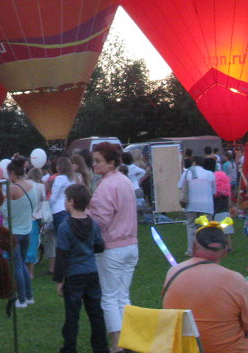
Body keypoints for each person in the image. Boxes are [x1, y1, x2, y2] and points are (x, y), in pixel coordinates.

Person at [162, 224, 248, 353]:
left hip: (183, 347)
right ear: (225, 251)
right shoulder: (235, 279)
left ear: (193, 248)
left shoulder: (173, 271)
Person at [87, 142, 137, 352]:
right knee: (122, 296)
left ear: (111, 162)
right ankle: (130, 339)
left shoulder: (107, 185)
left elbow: (99, 221)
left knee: (109, 297)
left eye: (98, 161)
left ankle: (116, 344)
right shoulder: (125, 181)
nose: (94, 165)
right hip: (131, 245)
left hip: (112, 246)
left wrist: (84, 215)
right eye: (94, 161)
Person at [53, 183, 108, 353]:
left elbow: (62, 255)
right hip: (91, 273)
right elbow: (100, 246)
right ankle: (101, 348)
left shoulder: (65, 227)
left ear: (71, 202)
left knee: (72, 314)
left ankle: (69, 348)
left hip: (73, 275)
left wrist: (59, 280)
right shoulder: (93, 224)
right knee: (96, 314)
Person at [6, 158, 39, 308]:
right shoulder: (32, 186)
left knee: (17, 266)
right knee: (23, 265)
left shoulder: (12, 189)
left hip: (14, 232)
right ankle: (29, 296)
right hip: (27, 230)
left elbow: (6, 213)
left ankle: (21, 299)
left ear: (12, 173)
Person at [179, 154, 216, 255]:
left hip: (191, 204)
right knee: (205, 227)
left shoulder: (187, 173)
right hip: (207, 205)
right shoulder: (210, 174)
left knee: (191, 226)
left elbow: (180, 186)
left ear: (193, 162)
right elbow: (213, 191)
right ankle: (205, 249)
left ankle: (191, 250)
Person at [45, 156, 74, 276]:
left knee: (59, 240)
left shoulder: (60, 179)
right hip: (68, 210)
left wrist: (47, 206)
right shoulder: (71, 179)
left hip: (58, 210)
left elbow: (54, 196)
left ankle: (60, 267)